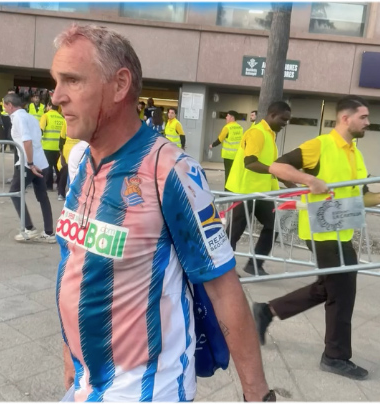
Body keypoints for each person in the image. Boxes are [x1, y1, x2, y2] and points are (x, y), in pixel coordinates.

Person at [51, 24, 273, 402]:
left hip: (147, 390)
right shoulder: (82, 160)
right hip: (86, 382)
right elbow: (73, 259)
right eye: (56, 81)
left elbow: (223, 288)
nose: (56, 97)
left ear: (120, 85)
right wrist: (69, 350)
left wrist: (257, 394)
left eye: (72, 80)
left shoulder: (171, 170)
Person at [252, 95, 380, 381]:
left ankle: (267, 311)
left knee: (329, 287)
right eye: (363, 117)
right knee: (342, 293)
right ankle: (334, 356)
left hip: (342, 232)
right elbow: (277, 166)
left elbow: (360, 196)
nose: (368, 122)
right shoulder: (320, 146)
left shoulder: (355, 154)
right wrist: (309, 180)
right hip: (320, 233)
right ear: (345, 118)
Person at [225, 101, 292, 276]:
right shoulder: (257, 133)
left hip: (261, 192)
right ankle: (224, 268)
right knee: (234, 231)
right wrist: (276, 171)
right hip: (245, 190)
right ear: (272, 115)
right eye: (283, 119)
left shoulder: (269, 135)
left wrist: (288, 181)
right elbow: (250, 162)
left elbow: (268, 165)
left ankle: (255, 264)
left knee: (274, 225)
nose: (285, 124)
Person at [3, 93, 55, 243]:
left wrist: (30, 164)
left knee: (14, 192)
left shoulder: (18, 118)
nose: (4, 109)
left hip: (28, 163)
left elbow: (27, 141)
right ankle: (49, 232)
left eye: (5, 106)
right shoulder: (31, 117)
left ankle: (29, 228)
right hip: (41, 161)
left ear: (10, 105)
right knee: (43, 197)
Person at [208, 110, 243, 184]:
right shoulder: (240, 128)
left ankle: (227, 190)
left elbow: (220, 139)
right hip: (237, 155)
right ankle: (234, 188)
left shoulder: (227, 127)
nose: (226, 118)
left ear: (232, 117)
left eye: (227, 116)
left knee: (228, 174)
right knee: (234, 173)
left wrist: (212, 145)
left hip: (228, 155)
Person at [39, 103, 64, 192]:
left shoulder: (45, 116)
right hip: (58, 147)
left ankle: (49, 186)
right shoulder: (61, 118)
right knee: (58, 167)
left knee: (48, 166)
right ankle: (60, 185)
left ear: (49, 106)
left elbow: (40, 130)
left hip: (48, 146)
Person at [56, 120, 80, 201]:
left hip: (68, 150)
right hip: (79, 150)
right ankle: (74, 194)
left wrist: (61, 152)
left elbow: (62, 138)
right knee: (77, 173)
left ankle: (61, 193)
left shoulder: (66, 121)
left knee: (64, 173)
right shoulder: (84, 119)